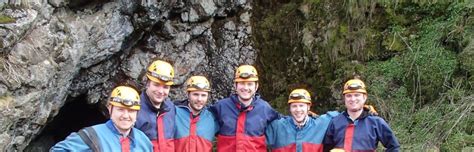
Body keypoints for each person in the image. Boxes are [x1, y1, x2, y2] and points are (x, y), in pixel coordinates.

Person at [51, 85, 153, 152]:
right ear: (110, 109)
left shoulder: (143, 141)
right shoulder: (91, 136)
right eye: (120, 110)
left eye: (131, 111)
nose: (126, 115)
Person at [209, 64, 280, 151]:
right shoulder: (221, 107)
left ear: (256, 86)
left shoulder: (264, 108)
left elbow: (286, 128)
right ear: (235, 85)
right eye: (242, 83)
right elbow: (199, 121)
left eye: (250, 84)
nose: (246, 88)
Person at [323, 79, 400, 152]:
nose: (353, 99)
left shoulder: (376, 122)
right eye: (349, 95)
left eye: (357, 95)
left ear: (364, 97)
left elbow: (393, 146)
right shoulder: (335, 122)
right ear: (344, 98)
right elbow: (326, 149)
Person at [266, 89, 339, 152]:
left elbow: (343, 116)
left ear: (308, 107)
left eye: (301, 105)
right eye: (294, 106)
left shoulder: (322, 123)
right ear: (290, 108)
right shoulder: (277, 126)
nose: (298, 110)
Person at [135, 59, 176, 152]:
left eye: (165, 87)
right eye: (156, 85)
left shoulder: (171, 108)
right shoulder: (134, 108)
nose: (161, 91)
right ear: (147, 83)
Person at [174, 76, 219, 152]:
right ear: (188, 94)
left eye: (203, 95)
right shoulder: (174, 113)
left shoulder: (212, 118)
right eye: (195, 94)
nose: (199, 99)